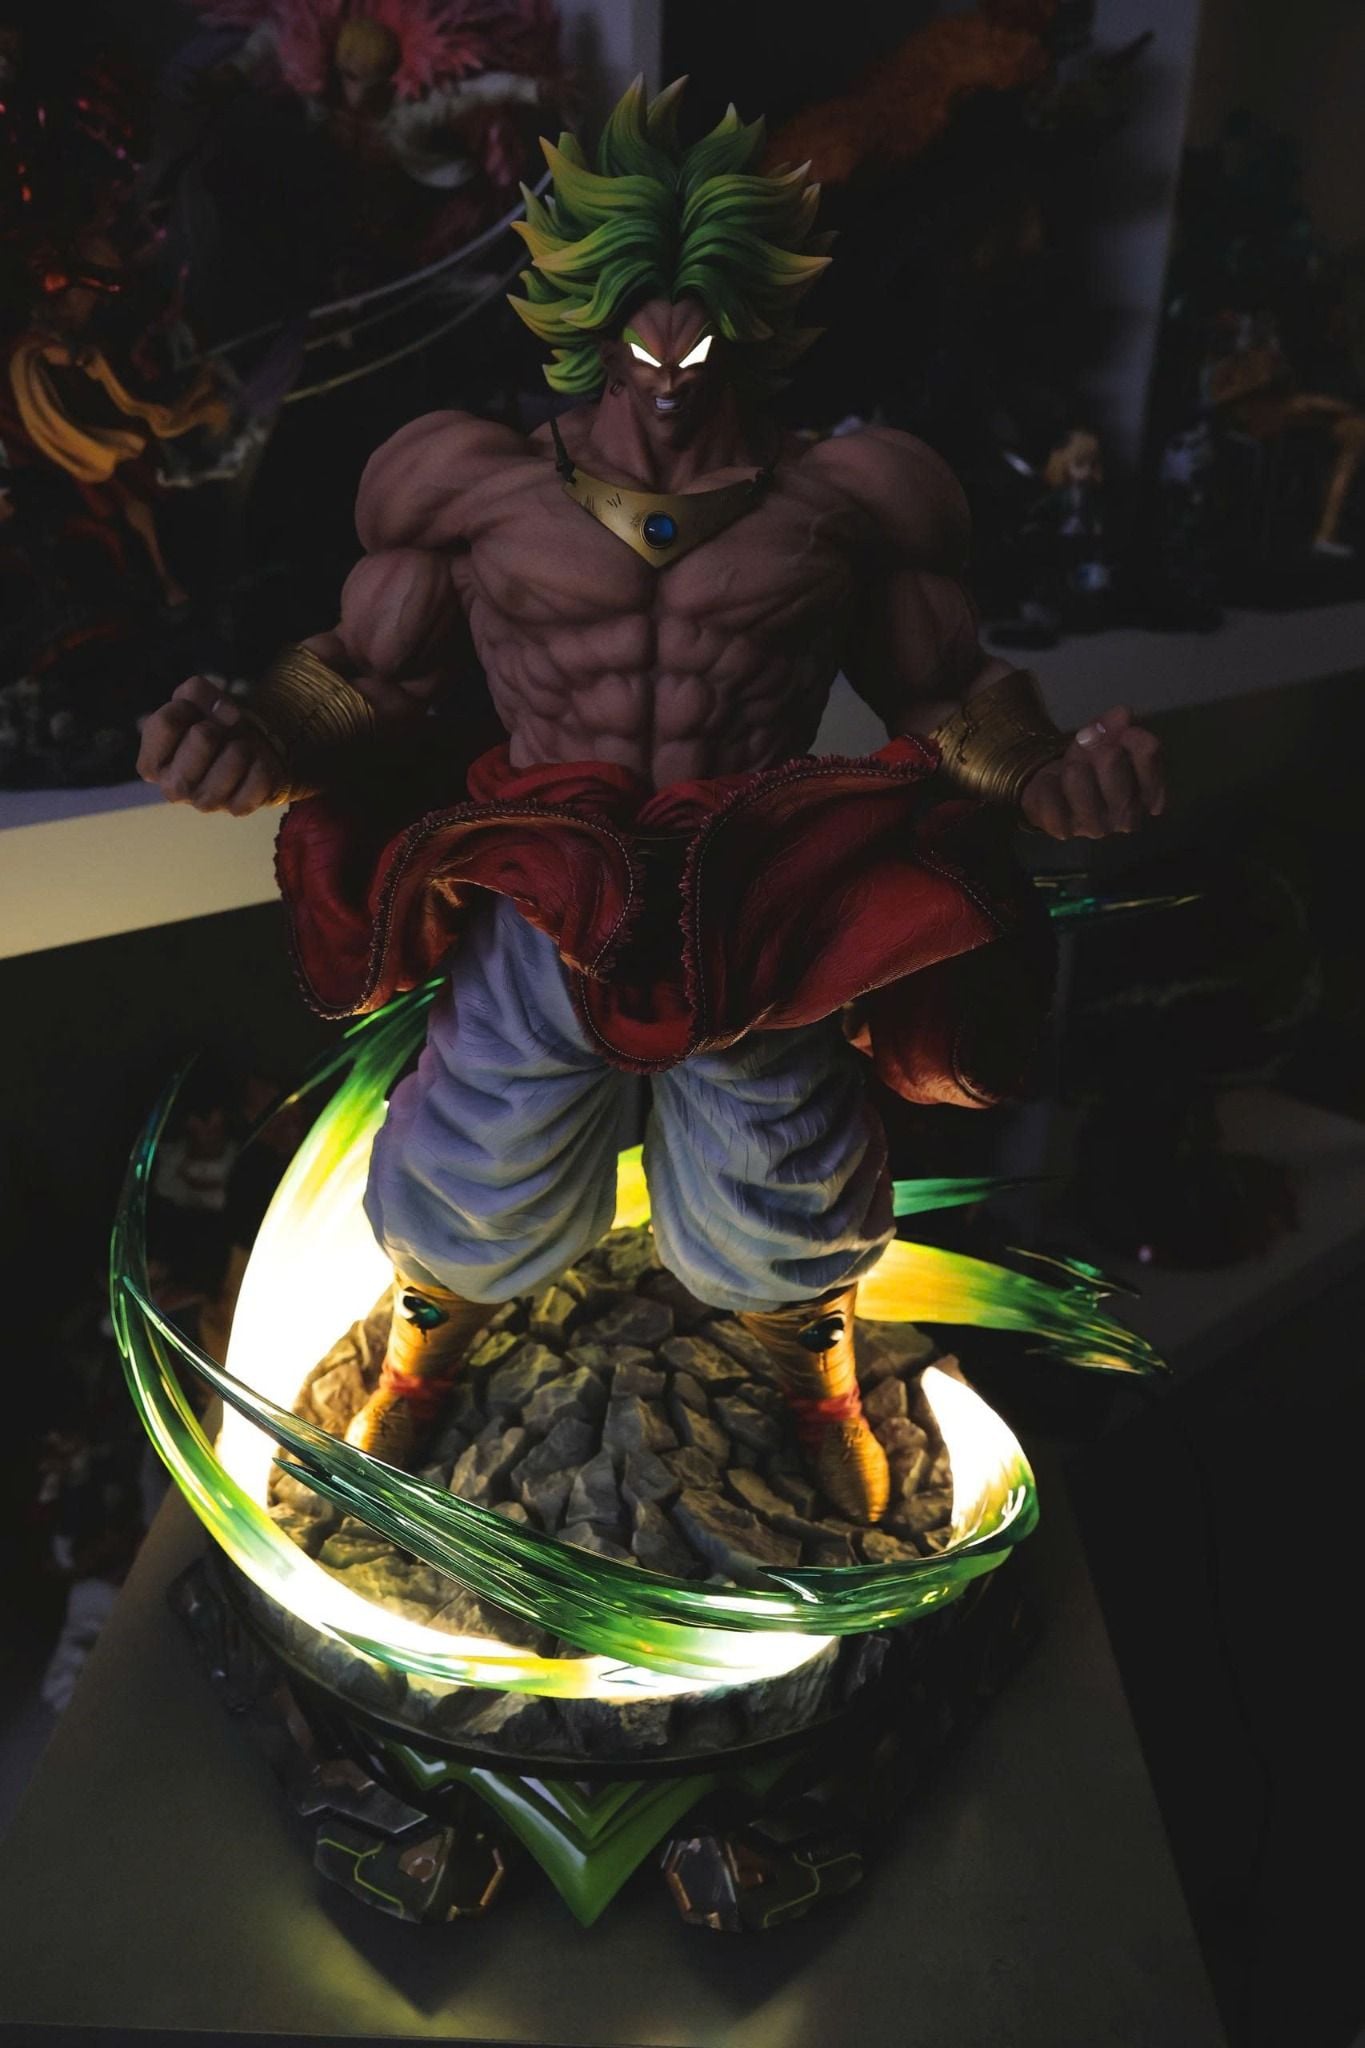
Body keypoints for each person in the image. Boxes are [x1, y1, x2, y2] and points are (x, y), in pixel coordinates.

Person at [136, 81, 1164, 1524]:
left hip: (749, 889)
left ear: (753, 315)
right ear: (586, 317)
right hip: (547, 869)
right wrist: (254, 734)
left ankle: (808, 1373)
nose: (673, 363)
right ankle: (428, 1348)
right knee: (476, 1146)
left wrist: (1048, 775)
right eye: (643, 327)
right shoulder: (472, 489)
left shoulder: (848, 499)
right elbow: (367, 677)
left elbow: (947, 699)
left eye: (703, 325)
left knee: (782, 1164)